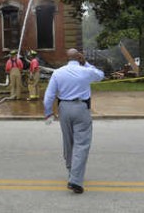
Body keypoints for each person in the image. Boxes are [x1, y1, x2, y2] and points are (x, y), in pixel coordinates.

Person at [43, 48, 105, 194]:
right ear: (79, 57)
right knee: (81, 144)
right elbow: (101, 75)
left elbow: (49, 96)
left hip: (64, 108)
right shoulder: (86, 71)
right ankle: (75, 180)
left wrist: (48, 113)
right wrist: (87, 63)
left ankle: (71, 171)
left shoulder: (58, 72)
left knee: (68, 142)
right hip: (81, 107)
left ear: (67, 58)